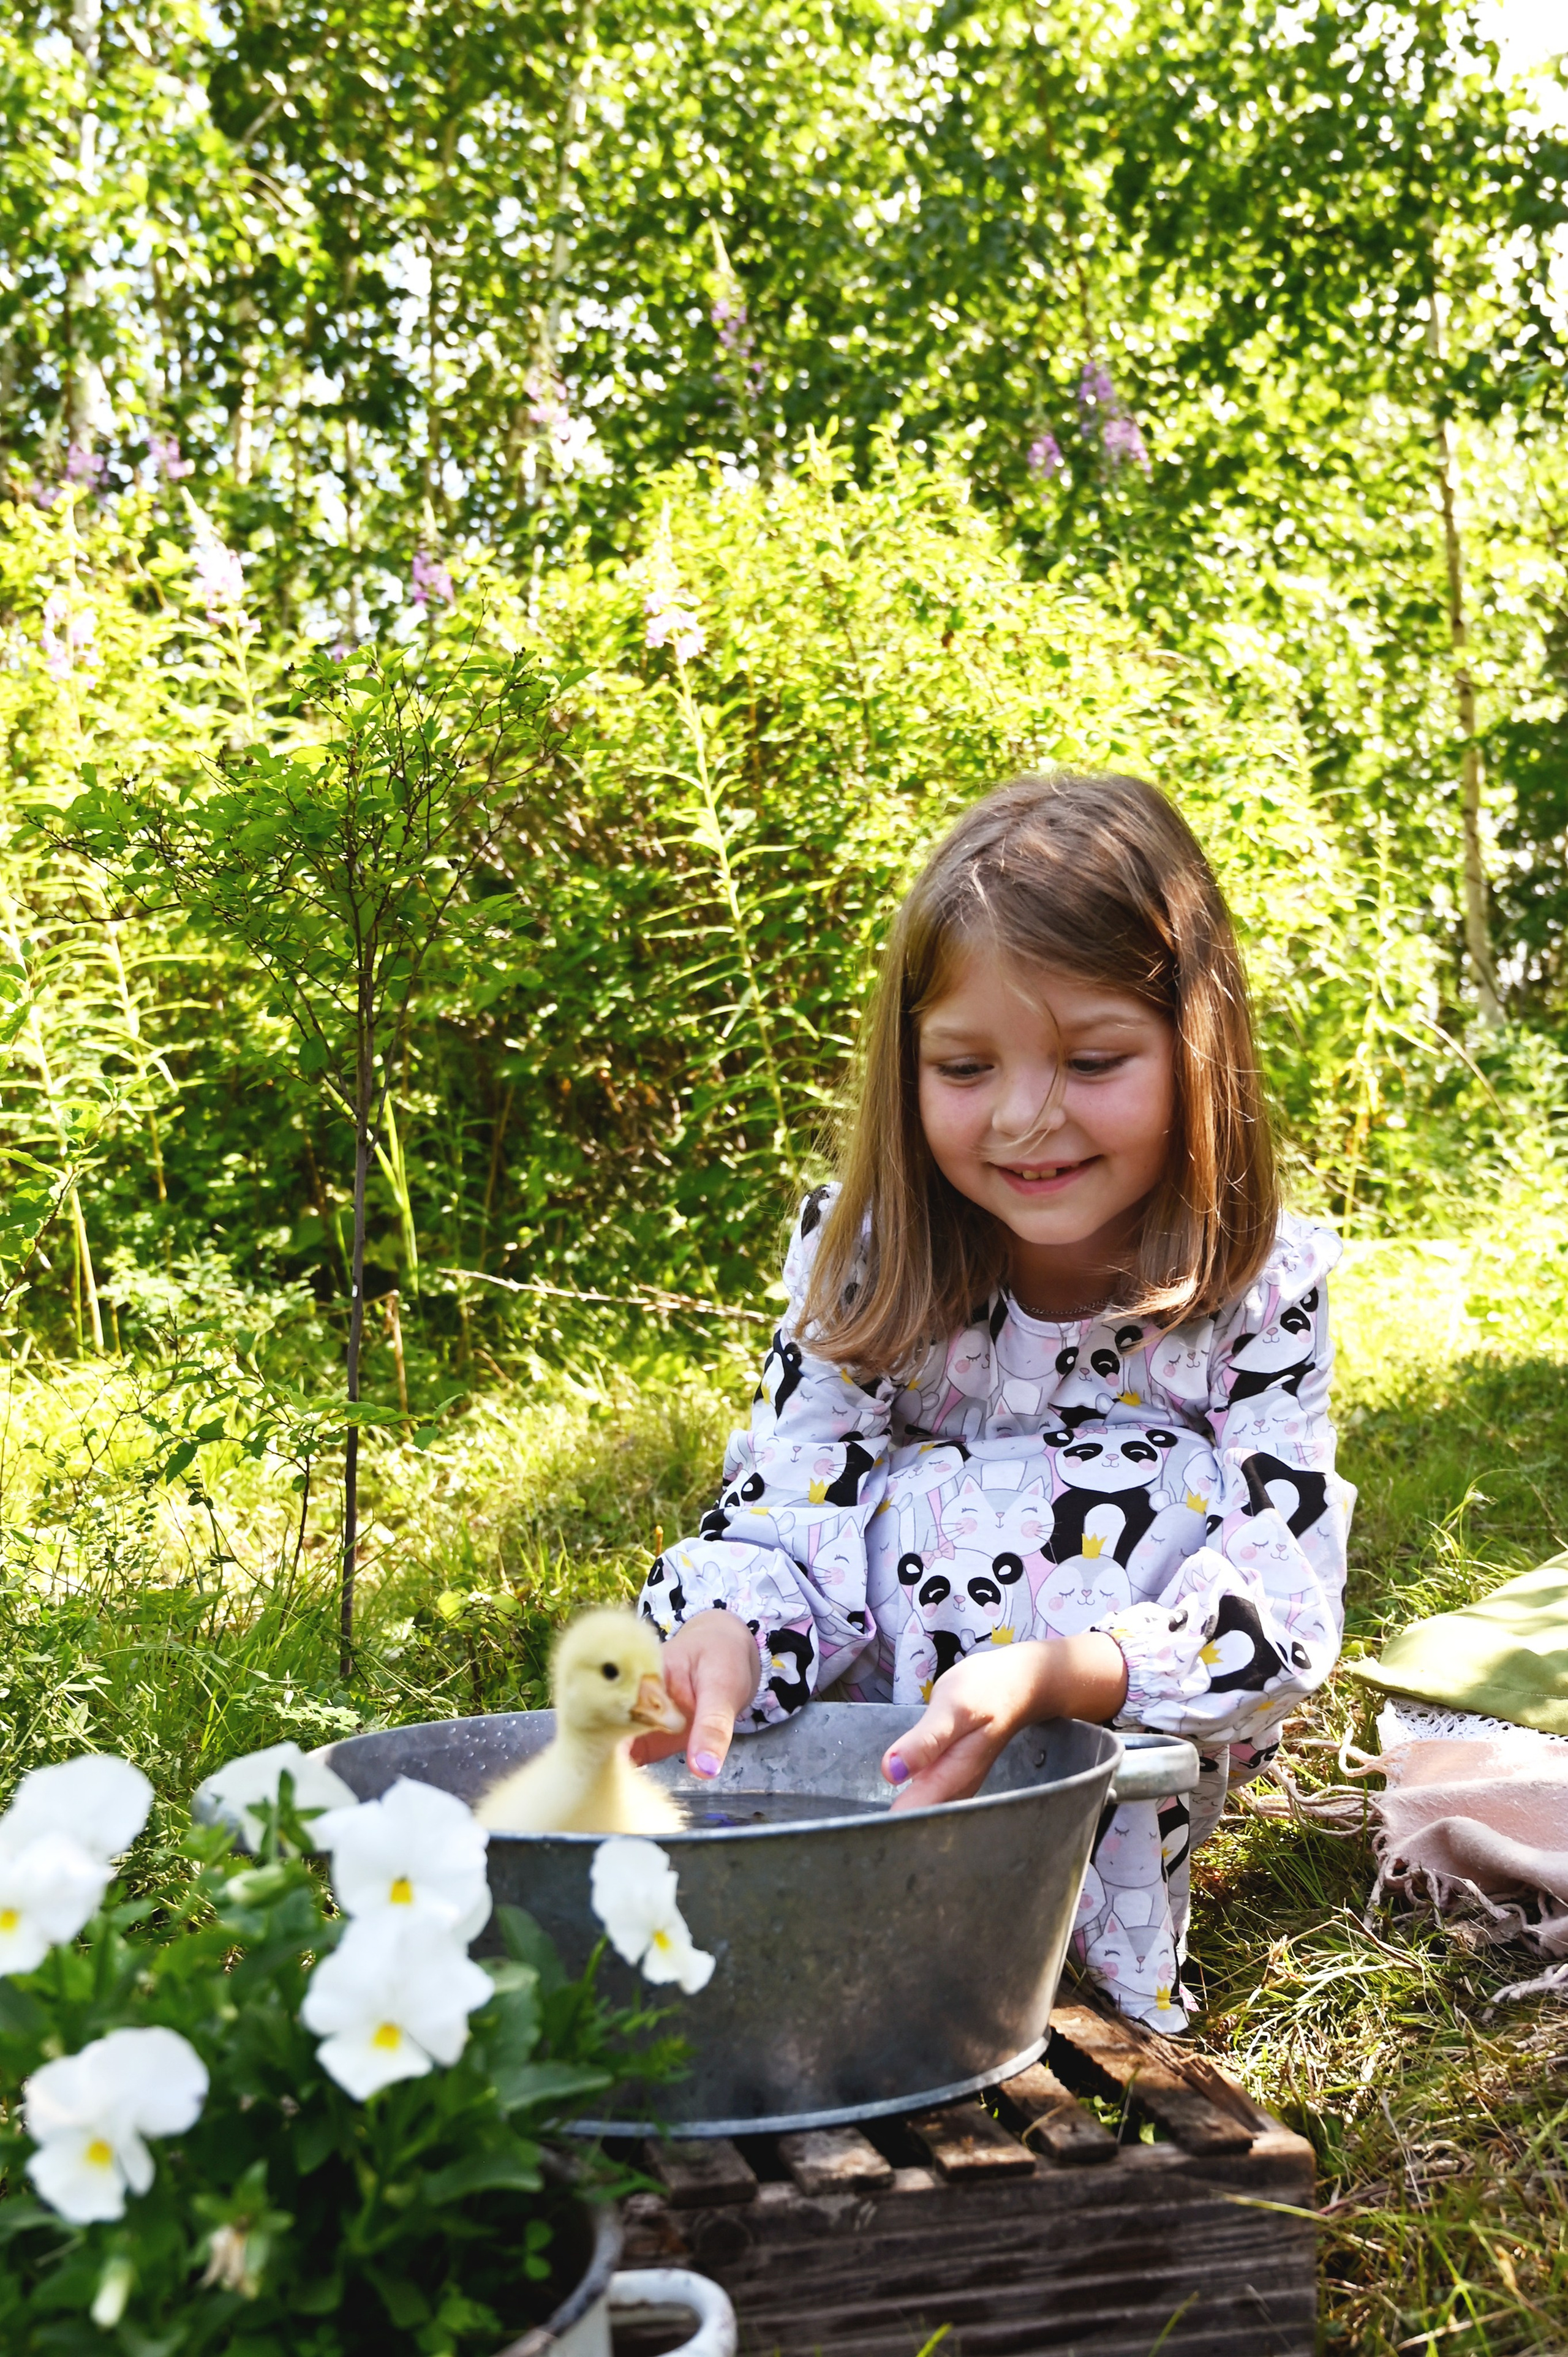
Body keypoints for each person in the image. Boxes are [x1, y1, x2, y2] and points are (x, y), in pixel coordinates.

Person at [632, 772, 1351, 2029]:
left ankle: (1071, 1971)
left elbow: (1280, 1595)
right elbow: (780, 1499)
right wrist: (731, 1632)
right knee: (893, 1517)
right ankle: (845, 1913)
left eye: (1089, 1059)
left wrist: (1062, 1673)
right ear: (907, 1068)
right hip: (897, 1711)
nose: (1026, 1117)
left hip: (1118, 1706)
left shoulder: (1258, 1279)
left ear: (1195, 1047)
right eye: (965, 1066)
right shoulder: (865, 1251)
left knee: (1131, 1495)